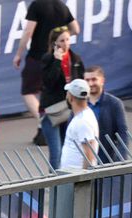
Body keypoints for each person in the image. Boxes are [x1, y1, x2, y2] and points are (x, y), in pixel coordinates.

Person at [12, 0, 77, 127]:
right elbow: (76, 29)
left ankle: (44, 121)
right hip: (58, 58)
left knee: (28, 92)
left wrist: (18, 54)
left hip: (37, 57)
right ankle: (55, 120)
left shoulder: (36, 5)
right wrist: (60, 39)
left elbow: (28, 32)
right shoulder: (62, 6)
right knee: (49, 90)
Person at [38, 26, 85, 169]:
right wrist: (57, 61)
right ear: (54, 43)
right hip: (52, 111)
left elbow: (81, 82)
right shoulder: (48, 59)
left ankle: (65, 183)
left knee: (68, 149)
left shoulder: (75, 59)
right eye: (62, 40)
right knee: (56, 152)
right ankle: (54, 186)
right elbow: (48, 82)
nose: (65, 43)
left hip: (69, 108)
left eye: (67, 39)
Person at [84, 67, 129, 163]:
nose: (90, 83)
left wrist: (121, 158)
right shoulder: (79, 104)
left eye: (94, 79)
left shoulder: (115, 103)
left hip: (107, 160)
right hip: (84, 160)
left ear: (102, 80)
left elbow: (123, 133)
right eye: (87, 80)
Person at [59, 79, 99, 171]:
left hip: (75, 177)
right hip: (72, 175)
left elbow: (89, 153)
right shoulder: (84, 116)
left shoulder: (82, 121)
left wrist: (83, 180)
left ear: (71, 97)